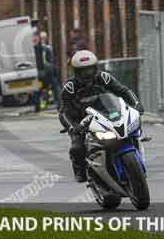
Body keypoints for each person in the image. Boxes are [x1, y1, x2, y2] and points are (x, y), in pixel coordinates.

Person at [58, 50, 144, 182]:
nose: (87, 74)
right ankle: (80, 170)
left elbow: (124, 91)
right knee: (77, 147)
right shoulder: (70, 87)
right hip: (82, 121)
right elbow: (63, 112)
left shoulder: (104, 77)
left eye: (90, 69)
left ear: (95, 68)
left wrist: (136, 104)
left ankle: (137, 153)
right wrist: (72, 127)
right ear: (75, 72)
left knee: (131, 126)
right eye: (83, 71)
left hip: (106, 113)